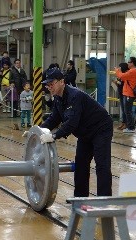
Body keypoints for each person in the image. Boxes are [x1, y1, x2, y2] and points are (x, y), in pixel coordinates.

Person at [25, 67, 113, 197]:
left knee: (102, 165)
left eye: (52, 83)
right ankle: (80, 198)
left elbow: (71, 123)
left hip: (100, 129)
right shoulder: (58, 99)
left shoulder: (75, 96)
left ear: (62, 81)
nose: (49, 87)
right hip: (85, 133)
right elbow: (54, 119)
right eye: (48, 85)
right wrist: (36, 131)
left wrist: (54, 136)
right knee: (81, 165)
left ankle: (104, 200)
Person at [114, 56, 136, 133]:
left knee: (127, 111)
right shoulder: (135, 71)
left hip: (129, 93)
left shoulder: (132, 71)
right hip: (127, 93)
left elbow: (121, 76)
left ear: (132, 63)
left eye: (129, 62)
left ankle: (131, 128)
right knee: (127, 111)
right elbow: (123, 78)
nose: (128, 63)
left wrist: (117, 70)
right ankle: (129, 126)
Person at [111, 62, 128, 130]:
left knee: (125, 109)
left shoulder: (125, 75)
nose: (119, 68)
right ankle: (123, 123)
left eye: (120, 67)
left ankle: (126, 124)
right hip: (121, 93)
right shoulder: (121, 75)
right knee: (123, 109)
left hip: (125, 93)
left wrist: (117, 82)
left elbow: (123, 83)